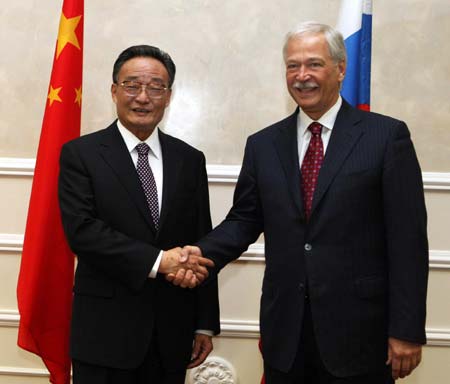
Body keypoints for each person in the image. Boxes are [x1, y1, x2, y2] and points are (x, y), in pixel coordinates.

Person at [178, 22, 428, 383]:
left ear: (341, 69)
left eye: (314, 64)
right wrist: (198, 255)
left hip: (361, 335)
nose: (302, 76)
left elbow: (408, 242)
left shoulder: (386, 137)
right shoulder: (263, 145)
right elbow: (244, 220)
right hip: (286, 335)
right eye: (293, 65)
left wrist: (406, 328)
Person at [58, 45, 220, 384]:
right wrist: (161, 261)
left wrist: (204, 322)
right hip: (104, 336)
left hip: (171, 336)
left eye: (155, 87)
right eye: (132, 85)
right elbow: (83, 232)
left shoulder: (190, 160)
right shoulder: (81, 154)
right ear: (114, 91)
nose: (143, 97)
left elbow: (200, 238)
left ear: (169, 95)